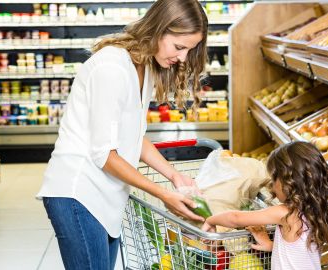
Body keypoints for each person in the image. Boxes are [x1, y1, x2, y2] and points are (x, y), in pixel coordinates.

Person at [36, 0, 208, 269]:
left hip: (106, 195)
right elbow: (105, 155)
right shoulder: (112, 68)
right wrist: (163, 194)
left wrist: (174, 175)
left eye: (190, 50)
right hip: (78, 193)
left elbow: (132, 136)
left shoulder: (146, 66)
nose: (183, 58)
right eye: (179, 47)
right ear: (158, 29)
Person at [202, 141, 328, 270]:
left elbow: (235, 218)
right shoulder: (316, 210)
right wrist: (271, 246)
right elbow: (301, 254)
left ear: (287, 182)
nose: (272, 187)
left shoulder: (286, 213)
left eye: (273, 180)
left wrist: (210, 220)